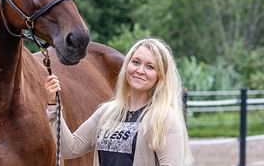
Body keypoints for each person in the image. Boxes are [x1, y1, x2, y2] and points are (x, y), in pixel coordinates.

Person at [45, 38, 193, 166]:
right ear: (127, 65)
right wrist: (53, 106)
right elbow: (70, 148)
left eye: (150, 67)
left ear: (160, 77)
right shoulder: (107, 112)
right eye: (136, 62)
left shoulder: (165, 119)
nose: (140, 70)